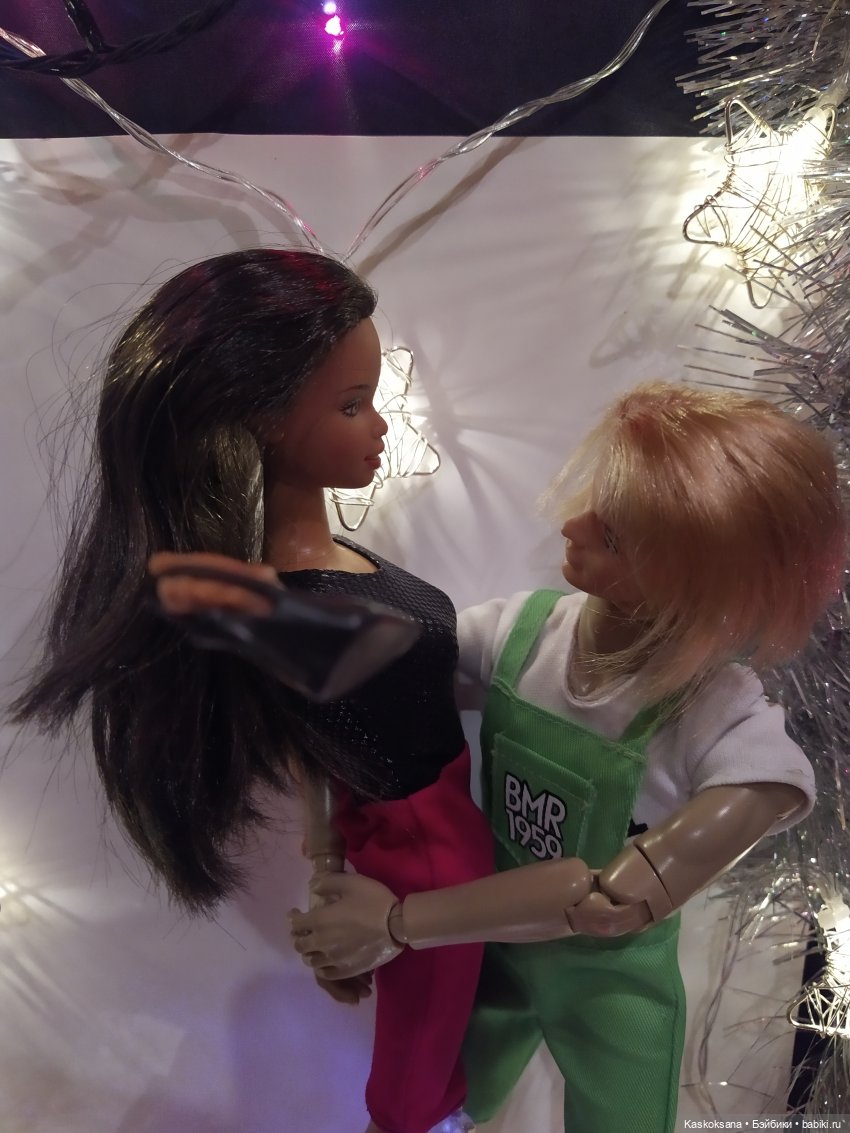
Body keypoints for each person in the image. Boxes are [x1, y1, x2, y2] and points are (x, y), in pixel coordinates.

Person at [10, 248, 494, 1133]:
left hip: (426, 837)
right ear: (264, 420)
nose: (380, 425)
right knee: (416, 1087)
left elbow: (331, 741)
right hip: (428, 860)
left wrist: (326, 863)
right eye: (351, 405)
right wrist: (360, 898)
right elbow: (333, 732)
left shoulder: (319, 575)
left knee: (460, 1050)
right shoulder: (287, 608)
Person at [289, 381, 847, 1133]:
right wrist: (330, 864)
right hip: (487, 940)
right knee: (450, 1101)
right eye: (595, 507)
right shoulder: (524, 634)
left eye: (612, 535)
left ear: (690, 579)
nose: (570, 525)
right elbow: (369, 700)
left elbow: (608, 899)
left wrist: (394, 922)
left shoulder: (710, 709)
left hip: (608, 978)